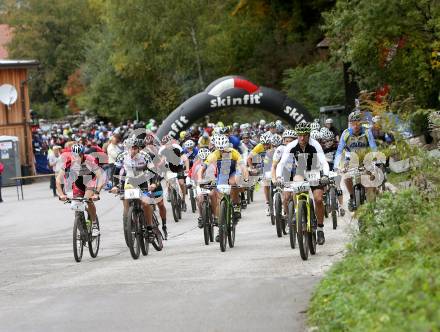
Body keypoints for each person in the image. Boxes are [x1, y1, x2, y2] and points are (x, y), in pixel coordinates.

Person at [276, 122, 330, 245]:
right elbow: (282, 163)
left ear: (309, 135)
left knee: (318, 199)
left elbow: (324, 162)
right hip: (300, 170)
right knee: (296, 184)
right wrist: (279, 177)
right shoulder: (291, 146)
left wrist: (325, 175)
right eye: (299, 135)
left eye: (305, 135)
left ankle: (320, 229)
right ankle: (297, 212)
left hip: (315, 171)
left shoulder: (315, 145)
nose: (302, 138)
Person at [56, 144, 106, 236]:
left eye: (79, 155)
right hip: (78, 182)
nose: (76, 158)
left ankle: (94, 224)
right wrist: (61, 194)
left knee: (88, 200)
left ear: (83, 155)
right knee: (77, 204)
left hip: (89, 180)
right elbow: (58, 179)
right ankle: (82, 230)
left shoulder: (90, 160)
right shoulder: (69, 161)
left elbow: (100, 176)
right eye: (74, 156)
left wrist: (97, 193)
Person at [334, 110, 378, 211]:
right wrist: (336, 166)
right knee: (346, 176)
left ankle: (372, 205)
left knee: (371, 181)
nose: (355, 126)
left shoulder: (367, 132)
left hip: (366, 160)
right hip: (351, 160)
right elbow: (339, 151)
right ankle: (352, 197)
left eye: (358, 123)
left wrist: (376, 159)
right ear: (350, 124)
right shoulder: (346, 133)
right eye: (353, 124)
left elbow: (373, 146)